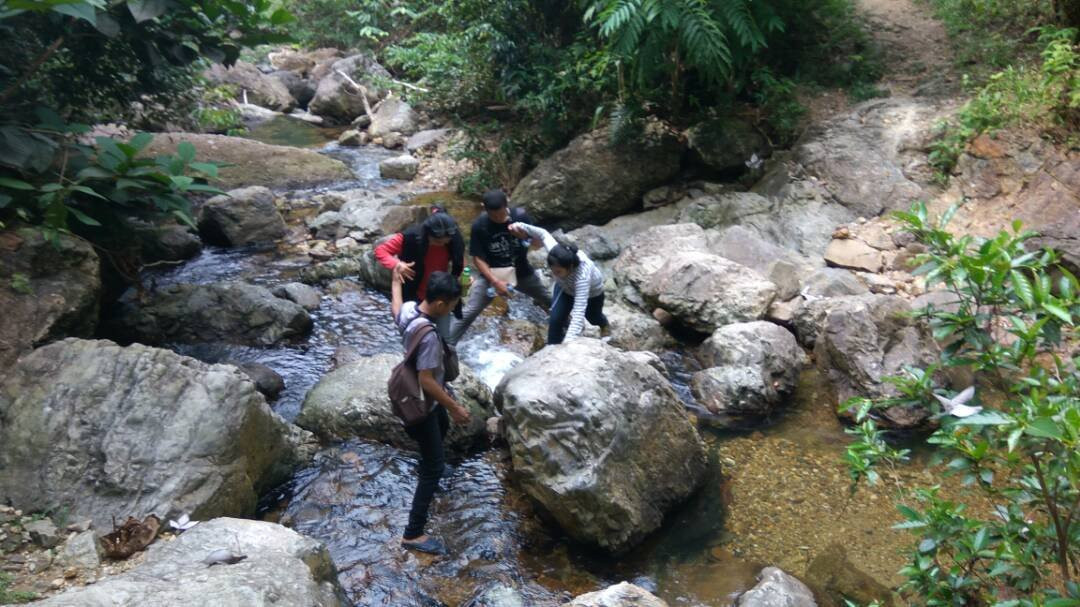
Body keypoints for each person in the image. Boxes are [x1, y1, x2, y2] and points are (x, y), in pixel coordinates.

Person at [390, 267, 471, 555]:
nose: (452, 310)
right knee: (433, 468)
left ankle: (434, 463)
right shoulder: (429, 338)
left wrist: (395, 282)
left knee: (443, 425)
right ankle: (412, 534)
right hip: (421, 402)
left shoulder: (412, 310)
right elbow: (426, 380)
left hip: (430, 405)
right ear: (440, 304)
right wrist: (457, 406)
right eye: (451, 305)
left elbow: (396, 308)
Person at [447, 190, 552, 346]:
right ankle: (445, 344)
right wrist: (495, 282)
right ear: (485, 209)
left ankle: (575, 328)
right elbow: (478, 258)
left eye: (501, 214)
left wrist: (525, 236)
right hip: (491, 274)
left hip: (521, 271)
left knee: (549, 299)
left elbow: (539, 244)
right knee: (468, 311)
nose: (498, 218)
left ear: (506, 206)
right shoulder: (480, 225)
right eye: (493, 215)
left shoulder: (520, 216)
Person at [509, 221, 610, 344]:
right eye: (552, 270)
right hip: (564, 288)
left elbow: (578, 312)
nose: (554, 274)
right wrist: (520, 226)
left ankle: (604, 325)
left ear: (571, 267)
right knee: (556, 319)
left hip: (592, 294)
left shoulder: (582, 277)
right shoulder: (557, 252)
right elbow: (543, 234)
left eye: (558, 271)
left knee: (593, 317)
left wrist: (568, 342)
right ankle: (552, 347)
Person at [376, 207, 465, 339]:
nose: (442, 244)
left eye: (445, 241)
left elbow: (459, 261)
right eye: (437, 241)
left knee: (445, 338)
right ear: (427, 234)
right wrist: (397, 264)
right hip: (414, 294)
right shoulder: (411, 237)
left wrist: (463, 277)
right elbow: (381, 251)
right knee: (413, 336)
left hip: (440, 294)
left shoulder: (453, 239)